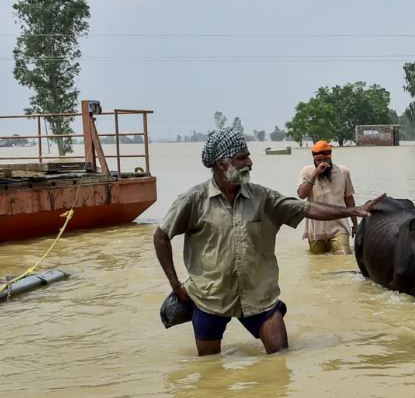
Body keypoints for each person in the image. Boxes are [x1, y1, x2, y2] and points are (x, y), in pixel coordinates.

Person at [153, 128, 383, 356]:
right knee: (209, 369)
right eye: (242, 157)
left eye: (248, 156)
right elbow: (161, 235)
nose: (250, 162)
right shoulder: (194, 200)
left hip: (259, 297)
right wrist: (175, 284)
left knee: (280, 360)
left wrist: (353, 210)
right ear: (222, 164)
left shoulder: (262, 197)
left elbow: (307, 208)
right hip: (210, 298)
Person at [296, 140, 357, 255]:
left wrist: (355, 225)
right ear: (314, 159)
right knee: (318, 263)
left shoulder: (343, 171)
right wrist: (315, 173)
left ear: (331, 157)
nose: (323, 163)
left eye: (326, 160)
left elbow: (349, 199)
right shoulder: (307, 172)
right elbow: (301, 195)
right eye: (319, 160)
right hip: (315, 230)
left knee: (344, 258)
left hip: (339, 227)